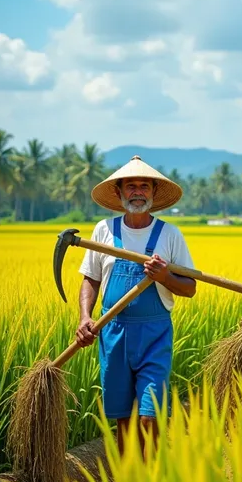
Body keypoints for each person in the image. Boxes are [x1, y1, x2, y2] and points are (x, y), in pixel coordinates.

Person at [75, 155, 196, 463]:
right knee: (123, 419)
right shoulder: (104, 230)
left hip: (154, 334)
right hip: (112, 332)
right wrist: (86, 318)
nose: (138, 192)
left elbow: (190, 288)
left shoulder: (169, 235)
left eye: (144, 186)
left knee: (150, 414)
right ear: (119, 193)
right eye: (131, 186)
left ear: (154, 194)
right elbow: (90, 279)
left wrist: (165, 276)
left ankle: (152, 479)